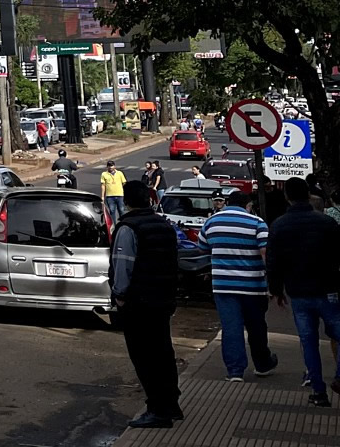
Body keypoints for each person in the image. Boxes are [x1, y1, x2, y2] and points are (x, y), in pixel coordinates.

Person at [110, 180, 182, 428]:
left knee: (144, 357)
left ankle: (158, 409)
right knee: (163, 353)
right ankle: (171, 404)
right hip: (163, 299)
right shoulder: (165, 225)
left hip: (139, 304)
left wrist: (119, 296)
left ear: (127, 201)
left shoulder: (128, 228)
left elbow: (123, 266)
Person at [267, 176, 340, 407]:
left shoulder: (279, 225)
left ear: (287, 196)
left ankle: (318, 391)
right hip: (329, 289)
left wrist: (276, 291)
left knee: (308, 342)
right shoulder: (327, 223)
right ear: (308, 195)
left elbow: (273, 261)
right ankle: (339, 377)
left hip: (298, 292)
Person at [198, 190, 278, 381]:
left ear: (227, 203)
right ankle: (262, 364)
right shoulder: (257, 223)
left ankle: (235, 371)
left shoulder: (211, 222)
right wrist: (272, 283)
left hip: (223, 286)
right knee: (257, 326)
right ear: (248, 205)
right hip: (253, 285)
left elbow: (202, 247)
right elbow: (266, 252)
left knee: (231, 327)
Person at [101, 160, 127, 227]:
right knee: (112, 211)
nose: (110, 167)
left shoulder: (120, 173)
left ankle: (123, 225)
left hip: (120, 195)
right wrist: (102, 196)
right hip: (110, 196)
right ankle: (113, 227)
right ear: (107, 167)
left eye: (112, 165)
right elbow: (103, 185)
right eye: (109, 166)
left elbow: (124, 183)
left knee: (121, 211)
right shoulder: (104, 174)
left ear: (114, 166)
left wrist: (126, 193)